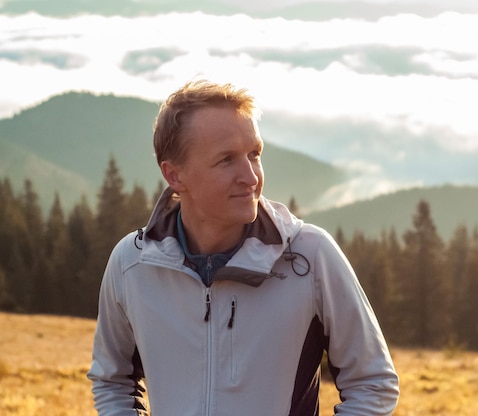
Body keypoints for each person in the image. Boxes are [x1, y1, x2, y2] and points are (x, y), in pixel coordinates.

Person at [87, 79, 399, 416]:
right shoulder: (131, 264)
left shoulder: (310, 257)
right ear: (174, 176)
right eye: (227, 160)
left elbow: (372, 383)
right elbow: (112, 380)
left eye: (254, 154)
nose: (251, 177)